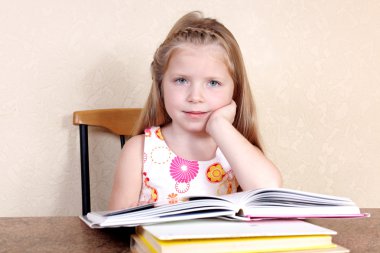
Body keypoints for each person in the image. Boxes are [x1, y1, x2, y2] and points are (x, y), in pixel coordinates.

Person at [109, 11, 282, 210]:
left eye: (213, 83)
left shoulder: (236, 150)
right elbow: (116, 230)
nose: (195, 97)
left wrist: (219, 126)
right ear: (160, 85)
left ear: (235, 90)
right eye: (181, 80)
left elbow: (269, 191)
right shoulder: (139, 151)